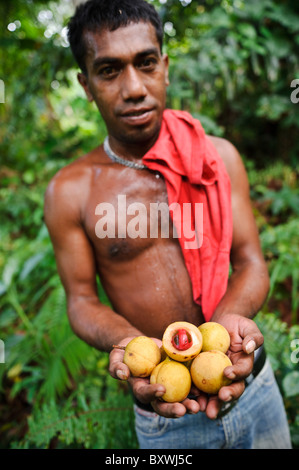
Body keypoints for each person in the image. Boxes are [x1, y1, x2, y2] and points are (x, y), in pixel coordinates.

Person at [44, 0, 292, 449]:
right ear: (85, 84)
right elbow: (80, 299)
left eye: (146, 63)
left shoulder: (219, 158)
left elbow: (252, 261)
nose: (134, 87)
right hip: (166, 415)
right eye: (109, 70)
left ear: (166, 67)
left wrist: (227, 334)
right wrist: (130, 346)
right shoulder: (71, 192)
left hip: (254, 388)